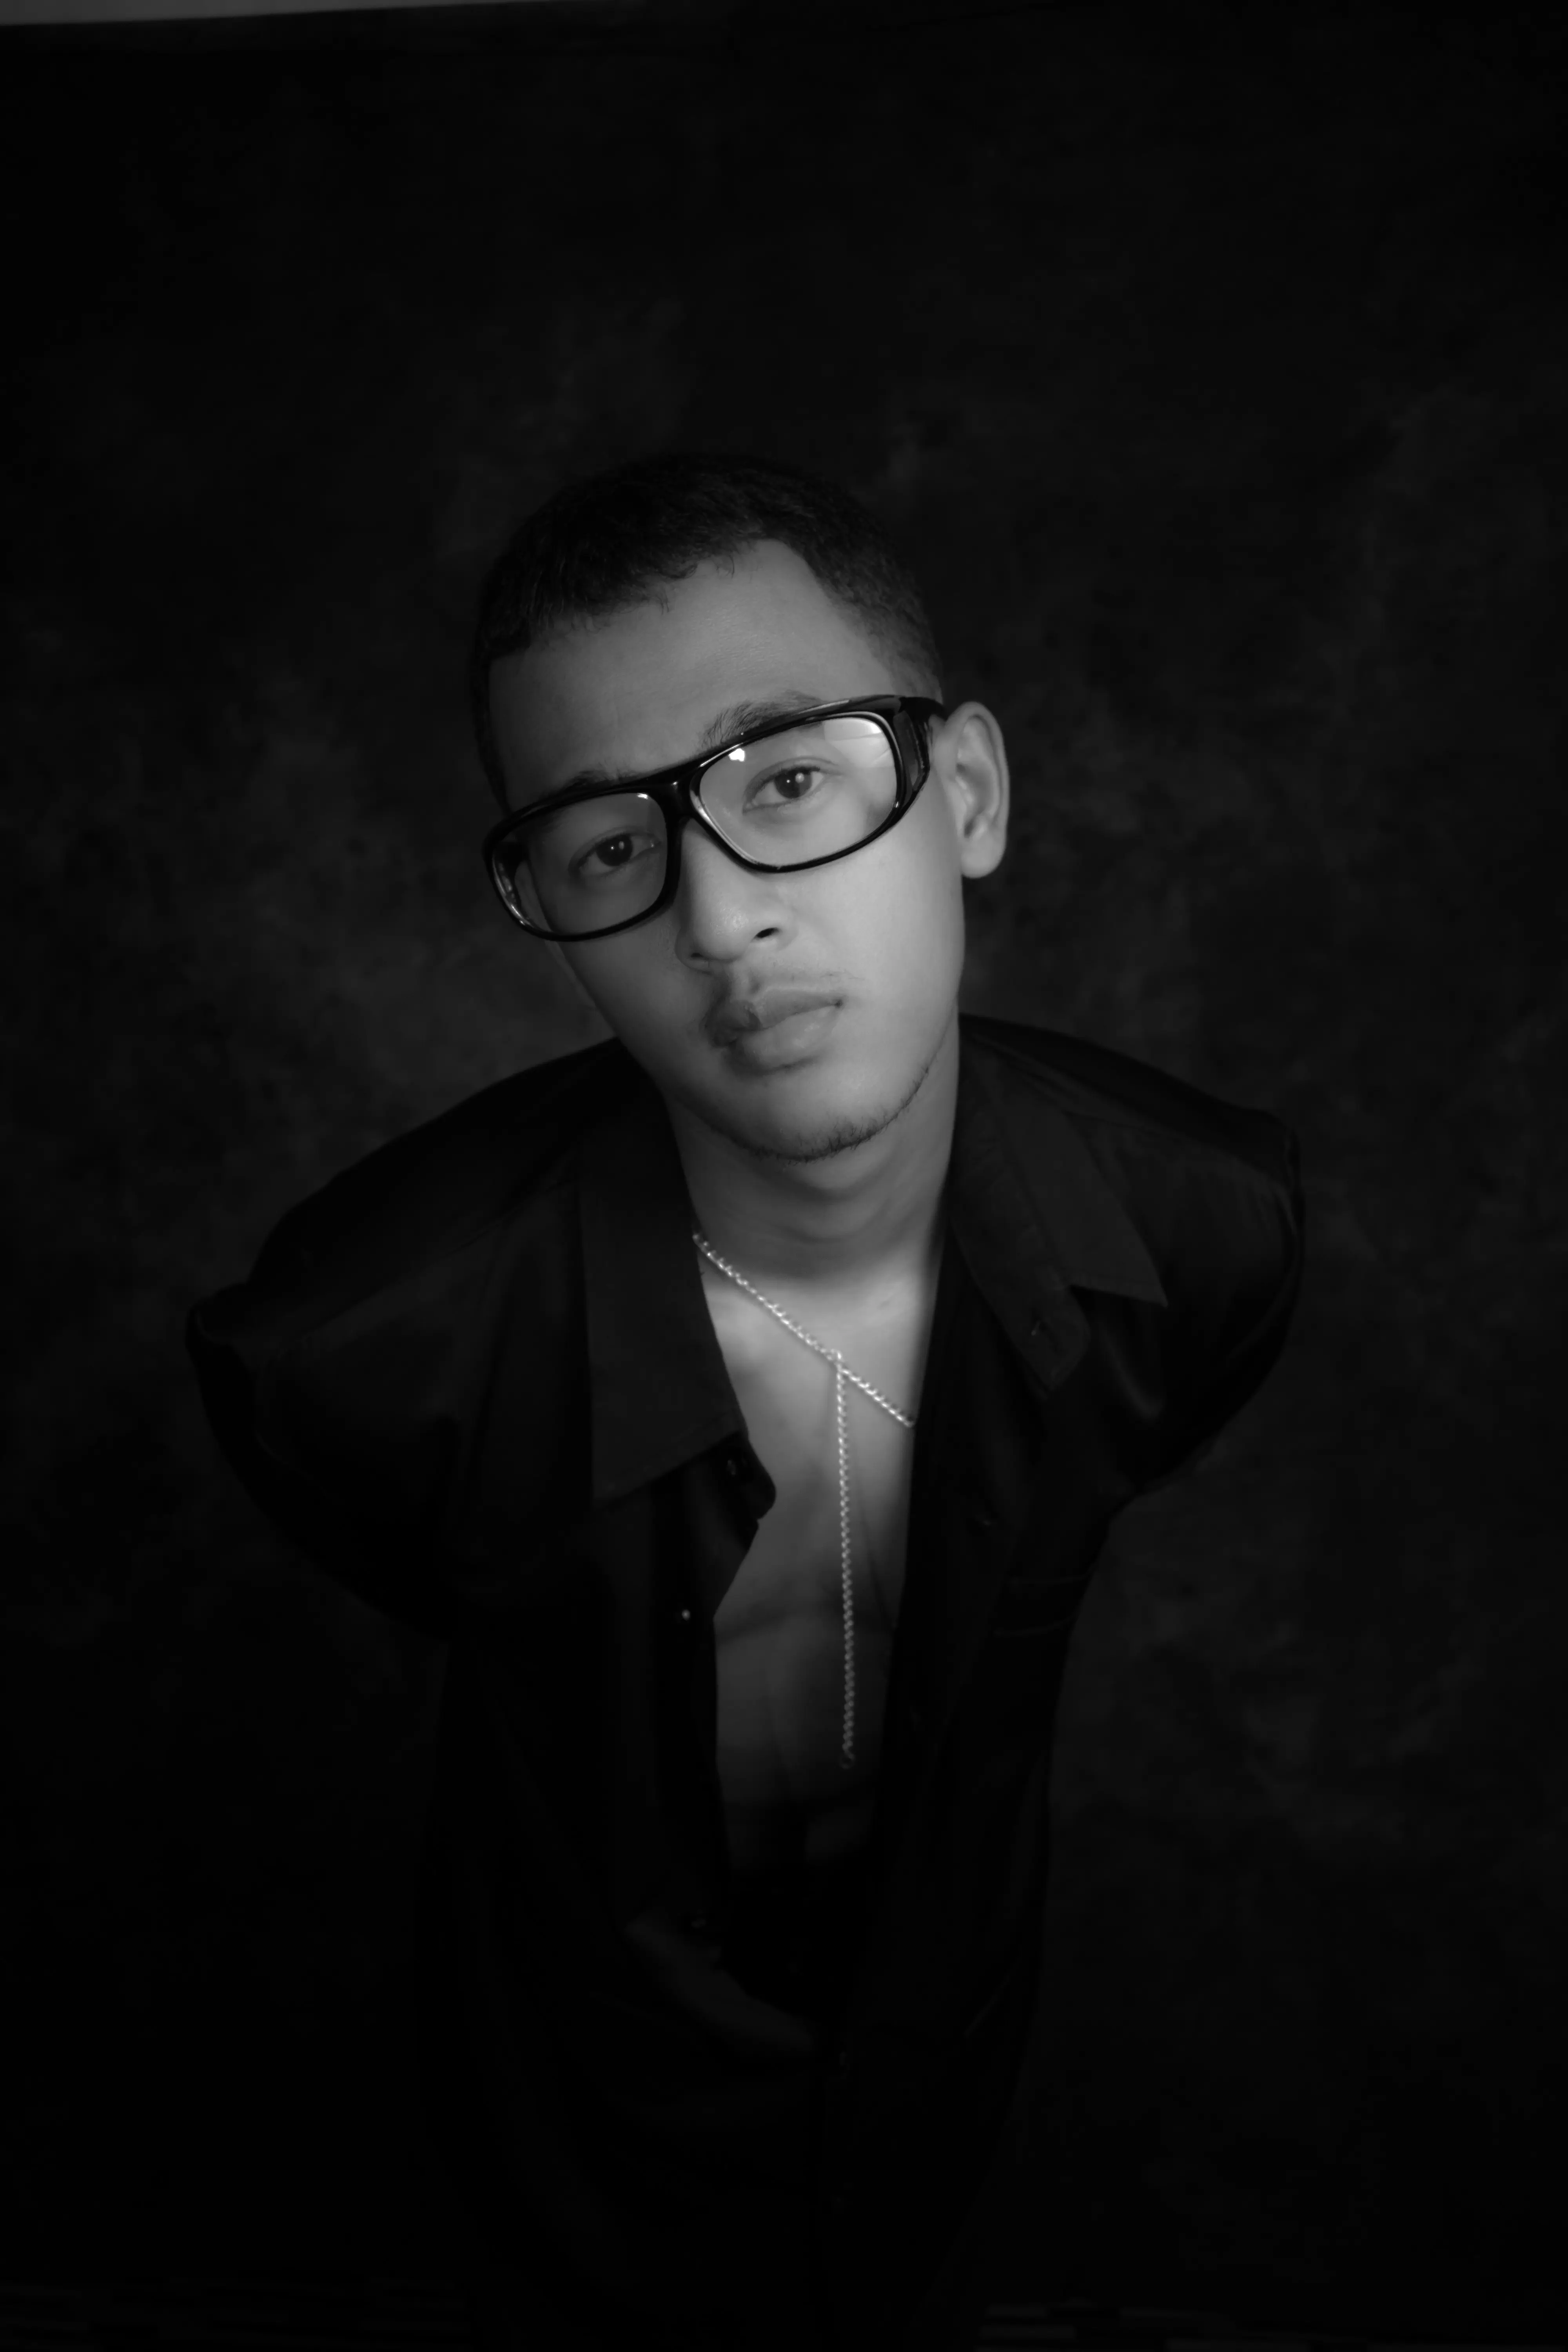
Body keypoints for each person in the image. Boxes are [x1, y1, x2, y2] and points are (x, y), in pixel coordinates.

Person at [185, 450, 1306, 2350]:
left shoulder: (1204, 1233)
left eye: (785, 777)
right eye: (610, 847)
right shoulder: (362, 1344)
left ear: (962, 796)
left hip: (942, 2064)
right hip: (565, 2108)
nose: (718, 923)